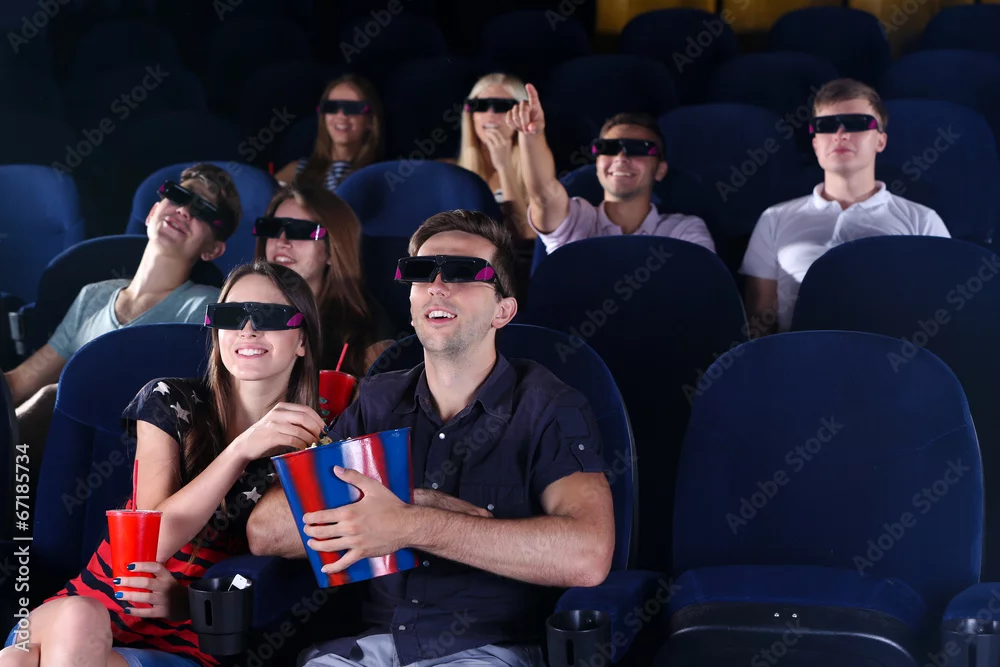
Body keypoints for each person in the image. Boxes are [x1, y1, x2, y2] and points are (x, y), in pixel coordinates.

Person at [246, 210, 615, 667]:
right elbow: (266, 531)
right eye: (421, 272)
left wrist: (411, 525)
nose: (437, 286)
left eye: (462, 272)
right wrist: (417, 500)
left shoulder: (548, 406)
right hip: (368, 649)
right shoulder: (377, 400)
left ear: (503, 310)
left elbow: (587, 555)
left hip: (489, 652)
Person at [0, 261, 326, 667]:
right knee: (74, 623)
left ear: (302, 340)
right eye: (230, 315)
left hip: (177, 644)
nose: (247, 329)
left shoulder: (315, 443)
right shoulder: (169, 399)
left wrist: (184, 602)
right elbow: (151, 541)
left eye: (269, 315)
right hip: (80, 614)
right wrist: (240, 449)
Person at [4, 163, 240, 473]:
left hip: (131, 459)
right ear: (152, 213)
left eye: (204, 211)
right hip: (57, 449)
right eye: (178, 196)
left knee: (52, 398)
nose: (184, 210)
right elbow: (20, 382)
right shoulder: (93, 296)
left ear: (212, 249)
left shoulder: (209, 307)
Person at [740, 78, 951, 337]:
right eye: (826, 126)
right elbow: (759, 323)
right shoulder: (774, 219)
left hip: (889, 354)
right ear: (815, 143)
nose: (840, 134)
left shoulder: (923, 221)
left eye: (857, 123)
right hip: (798, 353)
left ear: (880, 140)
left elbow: (941, 316)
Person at [509, 83, 716, 256]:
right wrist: (531, 135)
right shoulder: (576, 220)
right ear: (597, 164)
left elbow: (701, 285)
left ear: (660, 170)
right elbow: (544, 195)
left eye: (638, 149)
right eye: (608, 148)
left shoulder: (683, 231)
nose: (621, 157)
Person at [253, 183, 396, 375]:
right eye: (272, 228)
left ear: (331, 250)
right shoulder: (242, 310)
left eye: (301, 230)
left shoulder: (368, 331)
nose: (282, 241)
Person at [274, 74, 385, 192]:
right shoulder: (295, 173)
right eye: (331, 107)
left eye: (353, 108)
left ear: (370, 120)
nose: (341, 115)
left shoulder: (383, 176)